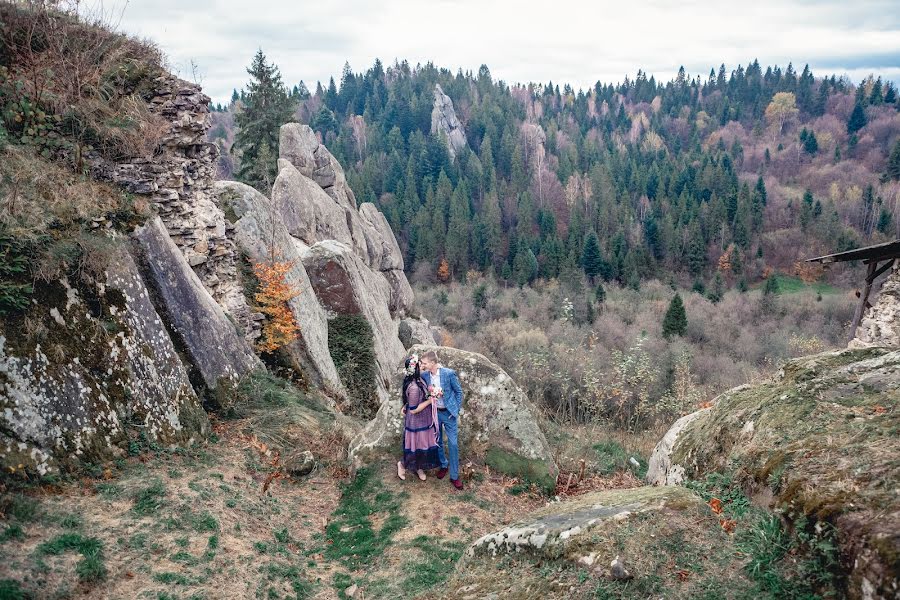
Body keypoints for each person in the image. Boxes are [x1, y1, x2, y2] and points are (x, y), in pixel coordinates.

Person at [419, 350, 464, 490]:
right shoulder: (425, 375)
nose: (423, 365)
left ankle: (455, 476)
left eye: (425, 363)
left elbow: (459, 392)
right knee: (437, 441)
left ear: (433, 363)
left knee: (453, 444)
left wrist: (455, 410)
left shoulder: (448, 373)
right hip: (434, 413)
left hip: (449, 414)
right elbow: (412, 381)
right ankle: (443, 465)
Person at [398, 354, 441, 481]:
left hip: (424, 420)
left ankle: (419, 467)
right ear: (415, 368)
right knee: (415, 447)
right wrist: (431, 400)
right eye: (420, 364)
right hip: (416, 422)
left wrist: (432, 391)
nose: (422, 365)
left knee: (423, 446)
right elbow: (414, 409)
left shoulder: (419, 380)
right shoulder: (414, 387)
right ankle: (402, 464)